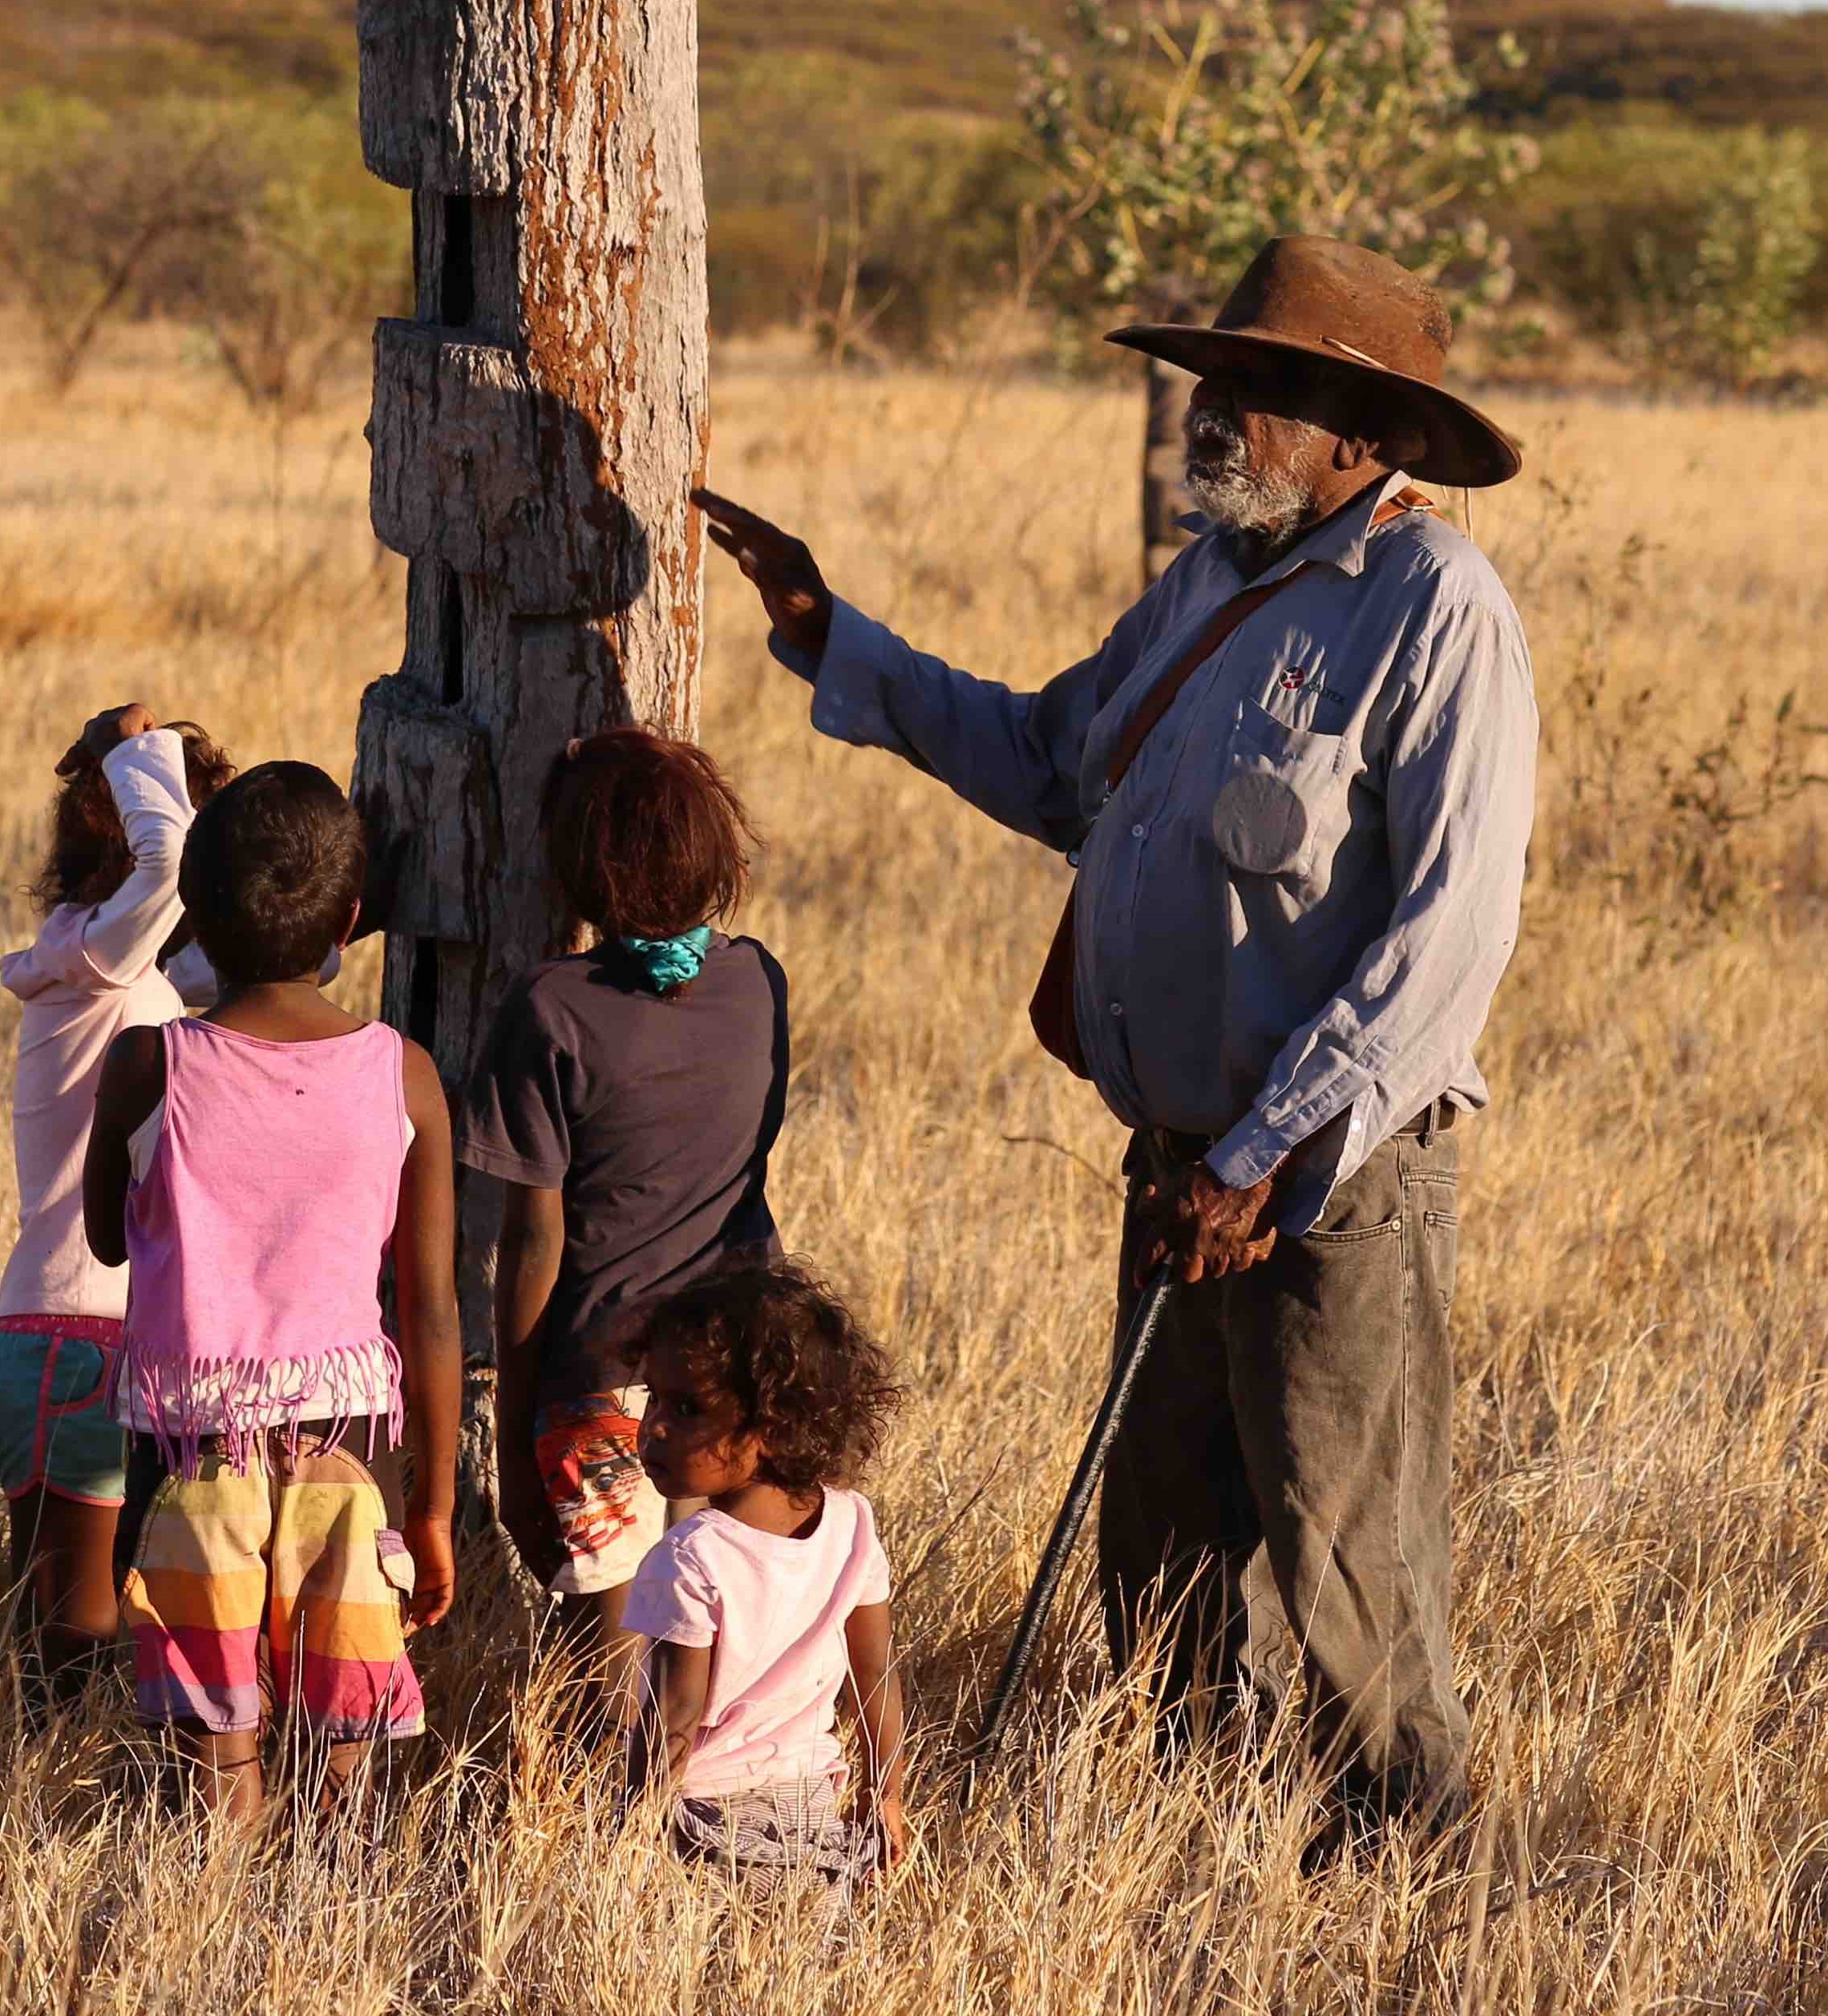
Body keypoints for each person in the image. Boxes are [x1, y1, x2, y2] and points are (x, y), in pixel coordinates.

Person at [693, 234, 1537, 1852]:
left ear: (1362, 432)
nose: (1215, 412)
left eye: (1260, 390)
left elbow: (1447, 942)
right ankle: (1180, 1858)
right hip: (1179, 1166)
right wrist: (821, 625)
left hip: (1322, 1181)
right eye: (1217, 379)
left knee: (1345, 1555)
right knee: (1160, 1551)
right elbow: (1047, 759)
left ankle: (1414, 1882)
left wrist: (1264, 1151)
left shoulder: (1440, 614)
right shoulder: (1210, 586)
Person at [79, 761, 460, 1816]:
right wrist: (432, 1508)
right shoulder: (404, 1072)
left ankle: (219, 1946)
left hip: (185, 1453)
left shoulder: (149, 1065)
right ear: (350, 917)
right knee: (346, 1745)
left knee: (215, 1745)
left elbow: (105, 1241)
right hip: (358, 1456)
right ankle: (331, 1949)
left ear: (193, 918)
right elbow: (428, 1311)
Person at [464, 729, 791, 1653]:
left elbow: (533, 1245)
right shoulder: (757, 982)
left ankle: (590, 1808)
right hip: (734, 1371)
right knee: (721, 1645)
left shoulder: (550, 1011)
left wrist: (521, 1423)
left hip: (602, 1384)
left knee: (607, 1669)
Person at [0, 701, 228, 1705]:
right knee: (77, 1627)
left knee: (58, 1612)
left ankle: (26, 1771)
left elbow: (257, 963)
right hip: (77, 1346)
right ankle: (38, 1792)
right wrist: (134, 752)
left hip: (58, 1346)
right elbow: (168, 872)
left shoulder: (123, 977)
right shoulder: (95, 969)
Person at [615, 1258, 908, 1888]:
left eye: (689, 1408)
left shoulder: (693, 1556)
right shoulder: (852, 1525)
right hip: (816, 1820)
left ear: (773, 1428)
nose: (655, 1427)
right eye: (653, 1397)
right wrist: (885, 1793)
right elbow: (874, 1675)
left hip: (704, 1828)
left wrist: (631, 1834)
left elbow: (674, 1715)